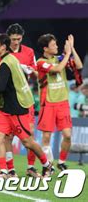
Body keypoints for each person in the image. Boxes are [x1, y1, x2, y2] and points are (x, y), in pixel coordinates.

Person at [0, 33, 54, 179]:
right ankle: (5, 172)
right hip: (5, 109)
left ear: (3, 47)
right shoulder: (9, 59)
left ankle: (46, 164)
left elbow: (0, 87)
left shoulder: (6, 63)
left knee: (28, 141)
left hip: (17, 109)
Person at [0, 23, 39, 177]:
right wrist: (15, 68)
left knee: (29, 135)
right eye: (13, 39)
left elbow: (37, 73)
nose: (16, 42)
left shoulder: (29, 52)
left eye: (18, 39)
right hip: (7, 99)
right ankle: (10, 170)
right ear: (7, 39)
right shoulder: (2, 52)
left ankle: (31, 167)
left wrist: (29, 69)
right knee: (6, 136)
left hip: (24, 99)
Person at [36, 34, 83, 170]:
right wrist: (67, 54)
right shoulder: (40, 62)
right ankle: (48, 165)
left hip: (62, 103)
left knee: (67, 135)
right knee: (46, 136)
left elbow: (79, 65)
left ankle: (61, 161)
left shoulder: (60, 58)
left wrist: (72, 49)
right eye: (53, 45)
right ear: (45, 48)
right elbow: (56, 69)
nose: (56, 46)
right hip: (48, 103)